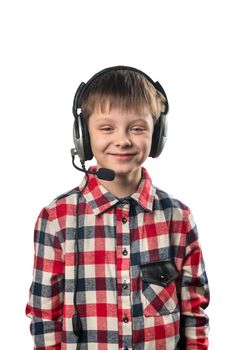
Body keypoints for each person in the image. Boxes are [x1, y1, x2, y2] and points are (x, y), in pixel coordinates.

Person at [25, 65, 210, 350]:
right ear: (83, 137)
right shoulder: (57, 219)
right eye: (106, 128)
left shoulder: (178, 218)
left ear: (158, 134)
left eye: (137, 128)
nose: (122, 140)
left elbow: (193, 313)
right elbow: (44, 316)